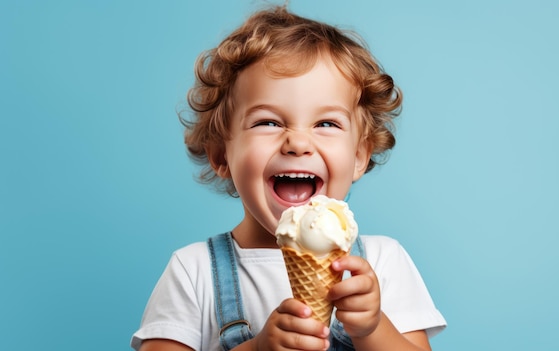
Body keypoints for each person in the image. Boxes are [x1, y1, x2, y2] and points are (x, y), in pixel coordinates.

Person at [131, 5, 446, 351]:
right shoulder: (193, 272)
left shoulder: (384, 261)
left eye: (326, 124)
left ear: (359, 156)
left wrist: (372, 329)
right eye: (268, 122)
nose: (297, 142)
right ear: (221, 155)